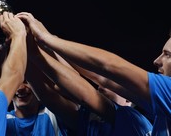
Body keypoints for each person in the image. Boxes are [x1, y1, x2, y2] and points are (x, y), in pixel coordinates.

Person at [17, 11, 170, 135]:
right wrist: (34, 50)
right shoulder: (159, 115)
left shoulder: (137, 121)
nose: (157, 61)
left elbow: (106, 69)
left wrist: (47, 39)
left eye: (167, 54)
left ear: (129, 100)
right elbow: (97, 79)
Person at [0, 42, 71, 136]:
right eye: (16, 82)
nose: (21, 88)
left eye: (26, 81)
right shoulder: (3, 120)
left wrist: (49, 46)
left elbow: (70, 84)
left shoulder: (53, 114)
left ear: (37, 83)